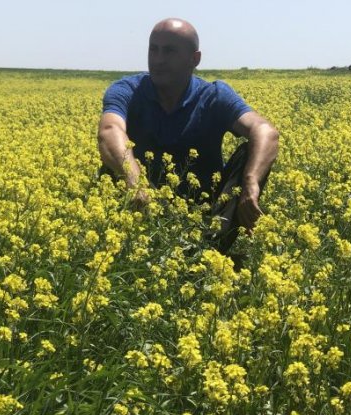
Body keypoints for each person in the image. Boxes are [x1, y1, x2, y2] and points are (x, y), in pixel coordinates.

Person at [97, 18, 279, 254]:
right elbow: (110, 130)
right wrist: (135, 182)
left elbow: (266, 131)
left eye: (170, 51)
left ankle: (212, 249)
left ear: (195, 59)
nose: (158, 60)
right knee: (112, 161)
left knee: (250, 154)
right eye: (154, 49)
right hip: (144, 204)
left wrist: (251, 182)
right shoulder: (127, 90)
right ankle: (129, 246)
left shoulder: (213, 95)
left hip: (203, 210)